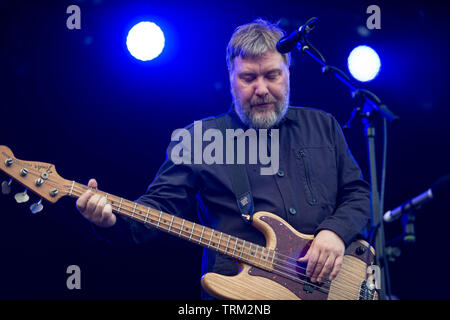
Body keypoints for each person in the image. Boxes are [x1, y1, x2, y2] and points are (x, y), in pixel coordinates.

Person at [76, 18, 370, 299]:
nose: (261, 89)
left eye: (272, 75)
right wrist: (109, 220)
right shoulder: (199, 139)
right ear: (230, 77)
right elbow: (157, 210)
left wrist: (334, 232)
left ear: (288, 72)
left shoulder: (323, 126)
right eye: (248, 77)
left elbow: (359, 194)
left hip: (334, 286)